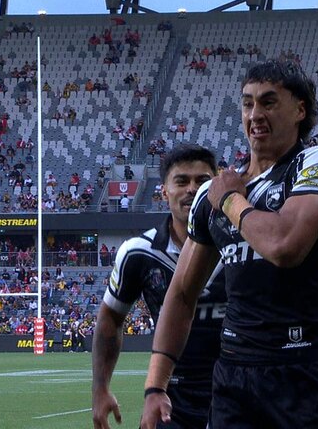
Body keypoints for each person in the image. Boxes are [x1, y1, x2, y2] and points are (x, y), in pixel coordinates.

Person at [141, 60, 318, 428]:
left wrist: (231, 202)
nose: (255, 114)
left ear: (300, 109)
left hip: (303, 371)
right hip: (234, 374)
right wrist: (155, 387)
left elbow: (285, 245)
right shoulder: (214, 192)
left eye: (269, 102)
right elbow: (182, 294)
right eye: (248, 103)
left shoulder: (316, 163)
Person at [93, 145, 226, 429]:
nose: (192, 189)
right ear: (164, 191)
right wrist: (100, 389)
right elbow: (110, 318)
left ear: (217, 186)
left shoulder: (242, 244)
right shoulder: (138, 252)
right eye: (181, 181)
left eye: (202, 181)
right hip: (170, 396)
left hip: (238, 390)